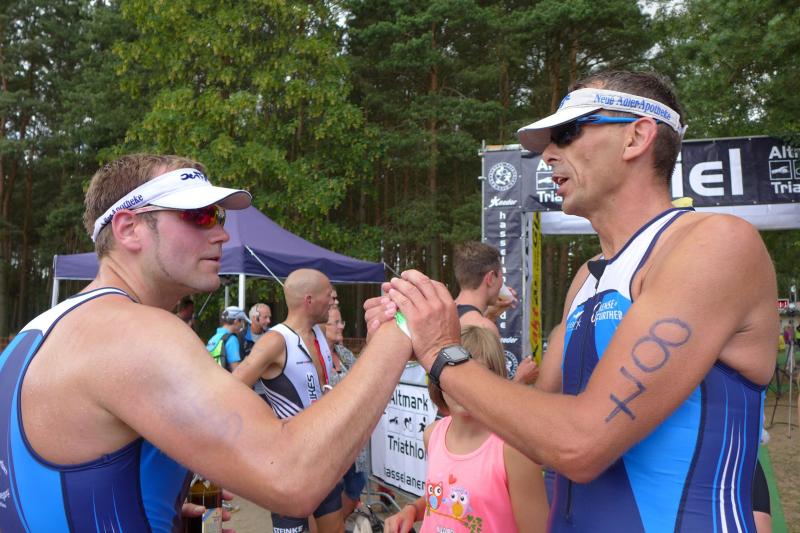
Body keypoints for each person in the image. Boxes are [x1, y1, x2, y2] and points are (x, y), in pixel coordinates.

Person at [367, 71, 777, 532]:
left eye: (567, 133)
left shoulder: (715, 243)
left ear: (637, 136)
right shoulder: (587, 276)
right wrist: (435, 505)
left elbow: (580, 443)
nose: (547, 154)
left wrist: (441, 352)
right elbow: (533, 426)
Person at [0, 154, 413, 532]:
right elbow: (292, 478)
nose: (222, 234)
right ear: (128, 229)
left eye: (218, 216)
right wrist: (400, 331)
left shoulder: (38, 333)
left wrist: (154, 503)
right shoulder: (132, 332)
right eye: (199, 216)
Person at [384, 326, 548, 533]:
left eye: (478, 375)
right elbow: (446, 495)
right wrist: (412, 510)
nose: (464, 387)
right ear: (438, 380)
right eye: (454, 374)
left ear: (496, 380)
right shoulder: (432, 434)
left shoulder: (514, 449)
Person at [232, 268, 344, 533]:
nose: (334, 301)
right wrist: (264, 430)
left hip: (323, 456)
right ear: (309, 300)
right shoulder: (275, 341)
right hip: (290, 464)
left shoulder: (319, 334)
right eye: (329, 295)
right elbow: (231, 388)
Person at [453, 241, 538, 385]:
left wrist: (491, 315)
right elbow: (492, 394)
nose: (502, 285)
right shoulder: (484, 328)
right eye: (501, 278)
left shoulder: (445, 315)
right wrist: (521, 378)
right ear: (491, 278)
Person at [323, 306, 368, 519]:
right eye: (336, 322)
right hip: (329, 439)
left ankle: (337, 522)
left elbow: (363, 376)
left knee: (356, 484)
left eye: (342, 322)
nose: (341, 326)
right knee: (329, 493)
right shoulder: (313, 357)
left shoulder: (344, 353)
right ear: (322, 326)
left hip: (353, 437)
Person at [206, 305, 248, 370]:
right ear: (236, 321)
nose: (242, 326)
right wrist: (247, 362)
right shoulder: (231, 339)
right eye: (242, 322)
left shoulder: (212, 339)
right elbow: (236, 369)